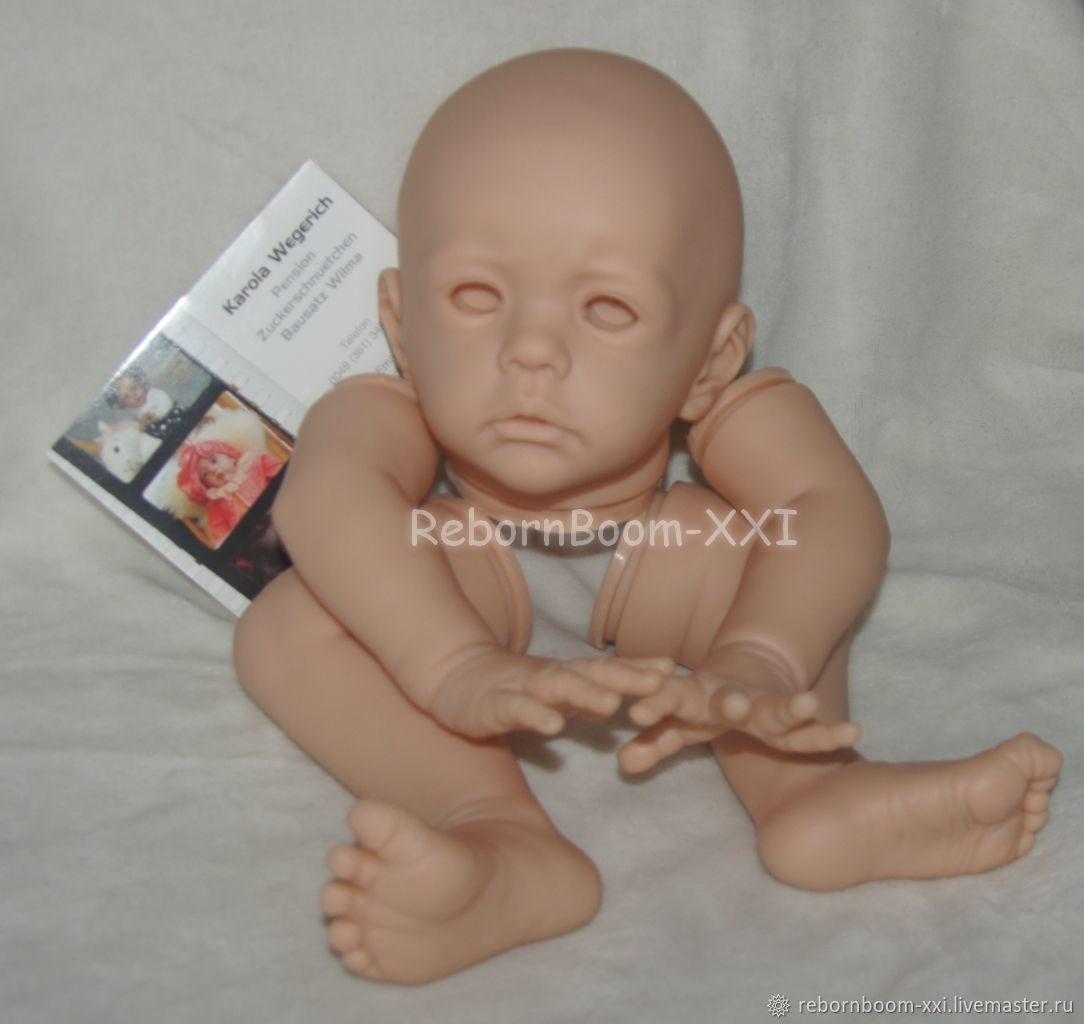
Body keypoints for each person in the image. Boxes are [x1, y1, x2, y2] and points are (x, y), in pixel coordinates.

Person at [233, 49, 1061, 985]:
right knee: (290, 629)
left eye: (607, 308)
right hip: (459, 577)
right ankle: (499, 837)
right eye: (475, 296)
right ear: (401, 320)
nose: (531, 350)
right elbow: (331, 498)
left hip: (673, 573)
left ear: (712, 359)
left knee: (787, 561)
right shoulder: (379, 410)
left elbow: (833, 509)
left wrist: (763, 654)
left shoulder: (734, 406)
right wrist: (451, 664)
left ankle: (813, 799)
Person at [176, 439, 283, 547]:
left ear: (230, 456)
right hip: (256, 538)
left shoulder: (254, 462)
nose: (212, 470)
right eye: (205, 474)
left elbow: (281, 473)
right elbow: (220, 532)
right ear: (206, 485)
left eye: (213, 461)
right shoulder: (216, 503)